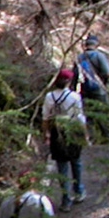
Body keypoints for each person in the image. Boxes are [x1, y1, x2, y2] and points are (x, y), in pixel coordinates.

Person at [37, 67, 88, 209]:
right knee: (76, 162)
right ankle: (78, 190)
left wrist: (46, 134)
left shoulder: (49, 97)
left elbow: (45, 118)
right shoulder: (75, 97)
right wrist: (84, 134)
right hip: (72, 131)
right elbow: (79, 117)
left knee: (62, 167)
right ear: (68, 82)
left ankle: (66, 199)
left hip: (56, 132)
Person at [76, 34, 109, 103]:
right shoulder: (99, 56)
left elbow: (75, 74)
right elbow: (107, 72)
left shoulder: (79, 57)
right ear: (96, 44)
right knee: (103, 108)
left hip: (83, 90)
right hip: (98, 89)